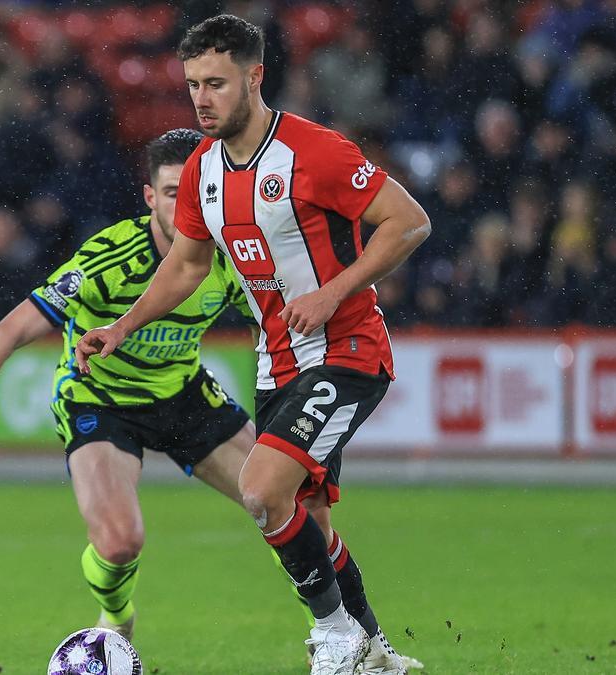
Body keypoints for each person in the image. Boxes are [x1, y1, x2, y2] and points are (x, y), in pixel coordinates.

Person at [75, 16, 431, 675]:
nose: (201, 99)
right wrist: (121, 328)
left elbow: (409, 222)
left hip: (347, 350)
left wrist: (335, 290)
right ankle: (374, 652)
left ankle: (333, 640)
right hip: (278, 364)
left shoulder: (314, 152)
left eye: (215, 83)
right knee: (312, 521)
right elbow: (183, 267)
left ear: (255, 77)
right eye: (191, 86)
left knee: (263, 490)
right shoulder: (205, 171)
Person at [0, 129, 256, 640]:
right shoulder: (109, 259)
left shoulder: (232, 256)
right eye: (175, 192)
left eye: (200, 190)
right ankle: (116, 617)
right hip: (100, 399)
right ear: (150, 197)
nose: (188, 206)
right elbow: (7, 333)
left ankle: (340, 641)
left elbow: (269, 329)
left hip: (184, 395)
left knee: (289, 503)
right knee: (118, 544)